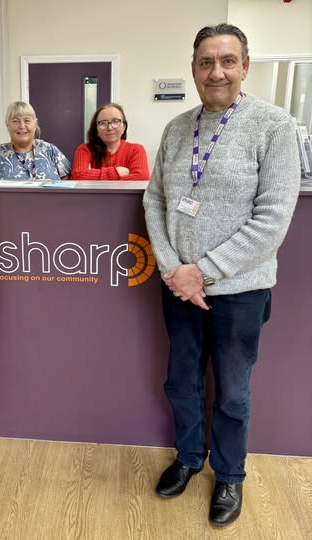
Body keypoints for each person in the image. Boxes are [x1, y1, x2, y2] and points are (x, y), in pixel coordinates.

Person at [143, 24, 300, 527]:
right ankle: (190, 458)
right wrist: (173, 268)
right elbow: (155, 200)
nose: (217, 72)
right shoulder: (176, 128)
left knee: (232, 391)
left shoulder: (274, 126)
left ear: (244, 67)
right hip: (178, 286)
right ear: (193, 69)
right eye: (206, 62)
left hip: (240, 290)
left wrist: (203, 273)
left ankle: (229, 475)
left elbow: (272, 219)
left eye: (228, 61)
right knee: (181, 382)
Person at [0, 101, 71, 181]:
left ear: (35, 124)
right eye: (16, 121)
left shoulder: (50, 150)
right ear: (7, 125)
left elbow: (68, 179)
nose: (22, 126)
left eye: (27, 121)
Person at [71, 103, 150, 180]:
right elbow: (78, 175)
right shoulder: (85, 150)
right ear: (96, 130)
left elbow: (142, 178)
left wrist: (92, 176)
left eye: (115, 121)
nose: (109, 128)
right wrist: (116, 172)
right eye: (103, 123)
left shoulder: (136, 150)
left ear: (124, 127)